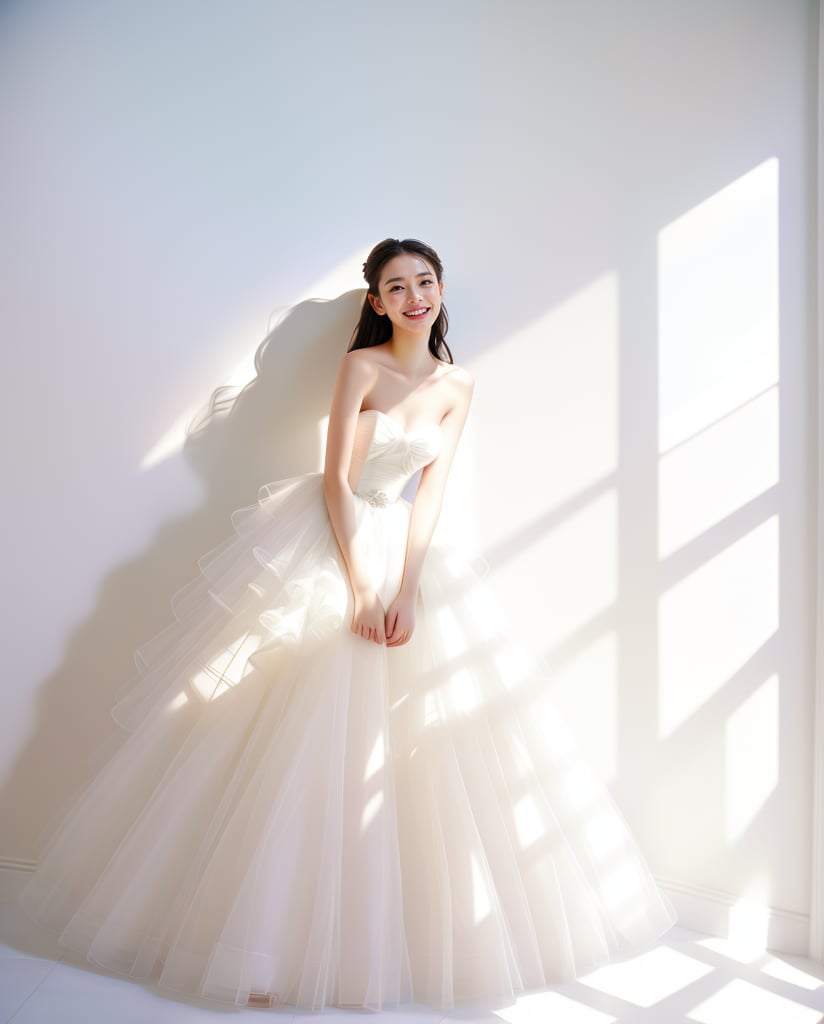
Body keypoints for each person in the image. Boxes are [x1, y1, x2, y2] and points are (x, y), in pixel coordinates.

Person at [18, 238, 676, 1012]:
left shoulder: (458, 384)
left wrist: (409, 586)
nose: (414, 298)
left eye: (424, 282)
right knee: (289, 735)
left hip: (403, 551)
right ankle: (259, 946)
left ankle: (391, 941)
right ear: (376, 302)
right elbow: (334, 477)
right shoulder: (360, 368)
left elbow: (430, 495)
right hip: (330, 539)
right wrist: (361, 581)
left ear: (439, 289)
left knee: (412, 746)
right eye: (396, 287)